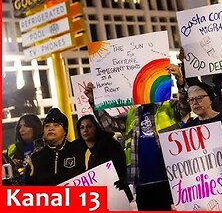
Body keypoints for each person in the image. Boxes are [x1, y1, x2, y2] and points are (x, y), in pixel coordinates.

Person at [84, 63, 190, 210]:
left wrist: (180, 81)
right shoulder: (132, 114)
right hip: (142, 184)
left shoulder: (169, 106)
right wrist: (93, 101)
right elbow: (109, 124)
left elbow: (185, 107)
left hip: (170, 180)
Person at [73, 114, 133, 201]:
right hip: (92, 199)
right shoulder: (76, 150)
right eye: (82, 127)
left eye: (89, 126)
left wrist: (123, 180)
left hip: (116, 195)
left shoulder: (111, 145)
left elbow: (122, 167)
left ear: (96, 128)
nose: (85, 130)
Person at [24, 108, 86, 185]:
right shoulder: (35, 159)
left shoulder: (80, 152)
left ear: (65, 130)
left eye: (56, 125)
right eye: (47, 126)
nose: (50, 128)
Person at [7, 114, 44, 183]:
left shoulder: (47, 146)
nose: (21, 130)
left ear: (35, 127)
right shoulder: (15, 150)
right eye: (20, 127)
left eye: (26, 126)